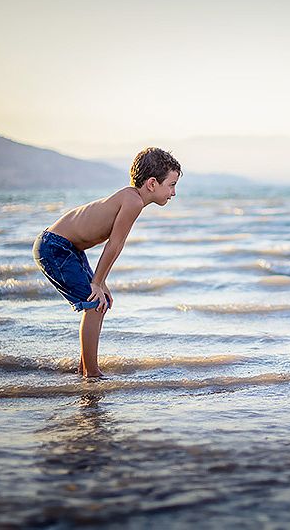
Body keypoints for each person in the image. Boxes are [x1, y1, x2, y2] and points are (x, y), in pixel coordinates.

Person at [32, 147, 181, 378]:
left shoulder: (131, 198)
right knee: (93, 304)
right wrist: (96, 283)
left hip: (67, 248)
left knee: (102, 301)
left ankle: (84, 367)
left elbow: (113, 245)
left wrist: (101, 284)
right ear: (152, 184)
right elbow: (115, 245)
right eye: (171, 185)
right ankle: (91, 373)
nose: (173, 193)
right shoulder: (133, 201)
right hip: (54, 247)